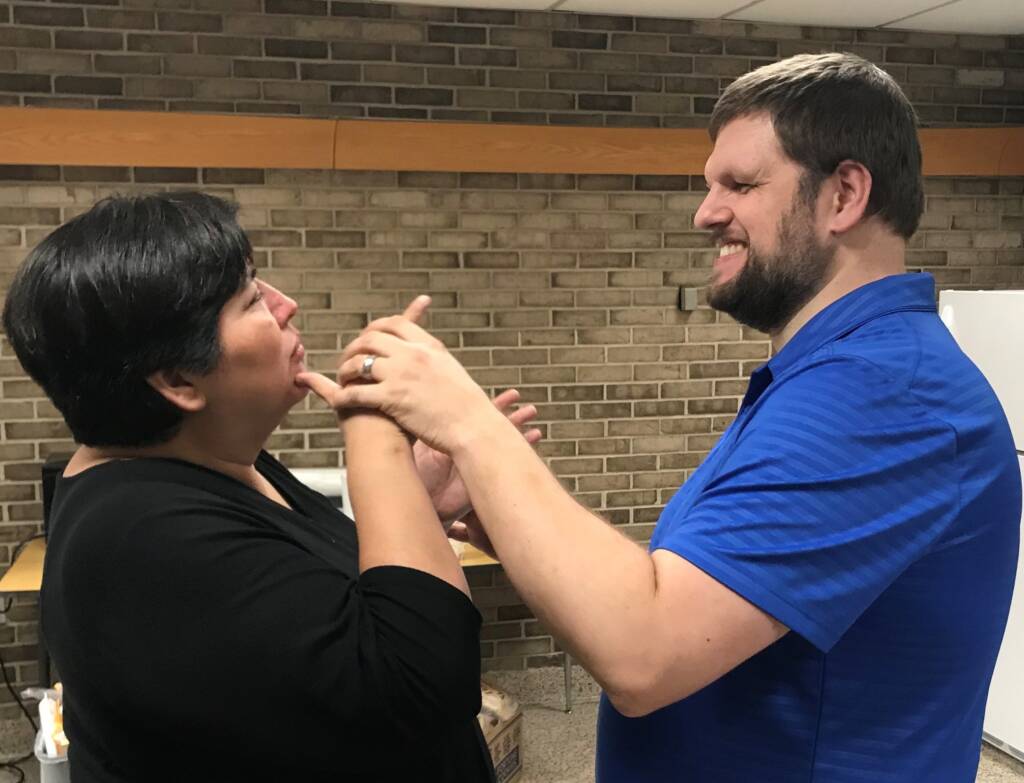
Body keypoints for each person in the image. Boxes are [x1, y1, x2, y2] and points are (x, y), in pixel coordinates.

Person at [299, 53, 1022, 782]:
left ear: (843, 195)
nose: (706, 212)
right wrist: (499, 511)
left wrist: (468, 423)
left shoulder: (884, 395)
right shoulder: (828, 377)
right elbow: (684, 593)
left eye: (739, 185)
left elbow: (643, 648)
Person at [2, 191, 539, 782]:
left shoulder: (217, 458)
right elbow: (424, 685)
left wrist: (417, 509)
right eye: (253, 298)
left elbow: (318, 612)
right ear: (179, 379)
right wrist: (374, 424)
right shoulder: (136, 537)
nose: (286, 304)